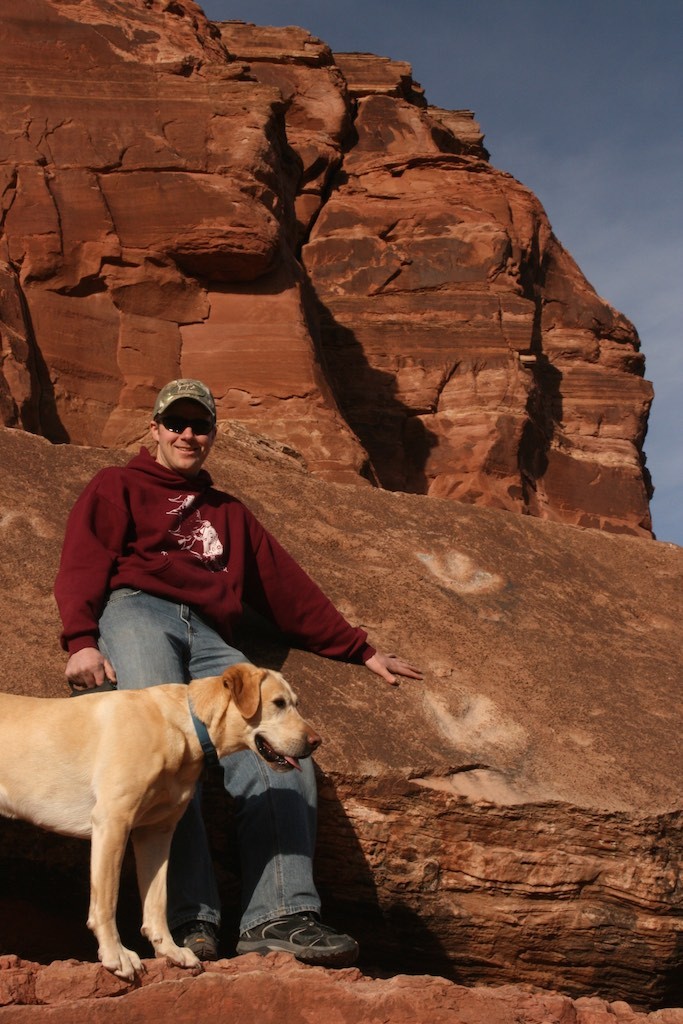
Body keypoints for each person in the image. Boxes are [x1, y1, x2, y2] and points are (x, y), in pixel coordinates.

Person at [54, 378, 421, 968]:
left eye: (199, 425)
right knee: (166, 755)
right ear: (154, 429)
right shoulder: (117, 484)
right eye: (175, 423)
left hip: (213, 635)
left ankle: (280, 916)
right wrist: (80, 640)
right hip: (136, 612)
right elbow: (82, 560)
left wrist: (359, 649)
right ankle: (186, 920)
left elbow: (287, 592)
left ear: (213, 435)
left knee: (282, 746)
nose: (187, 434)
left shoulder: (230, 514)